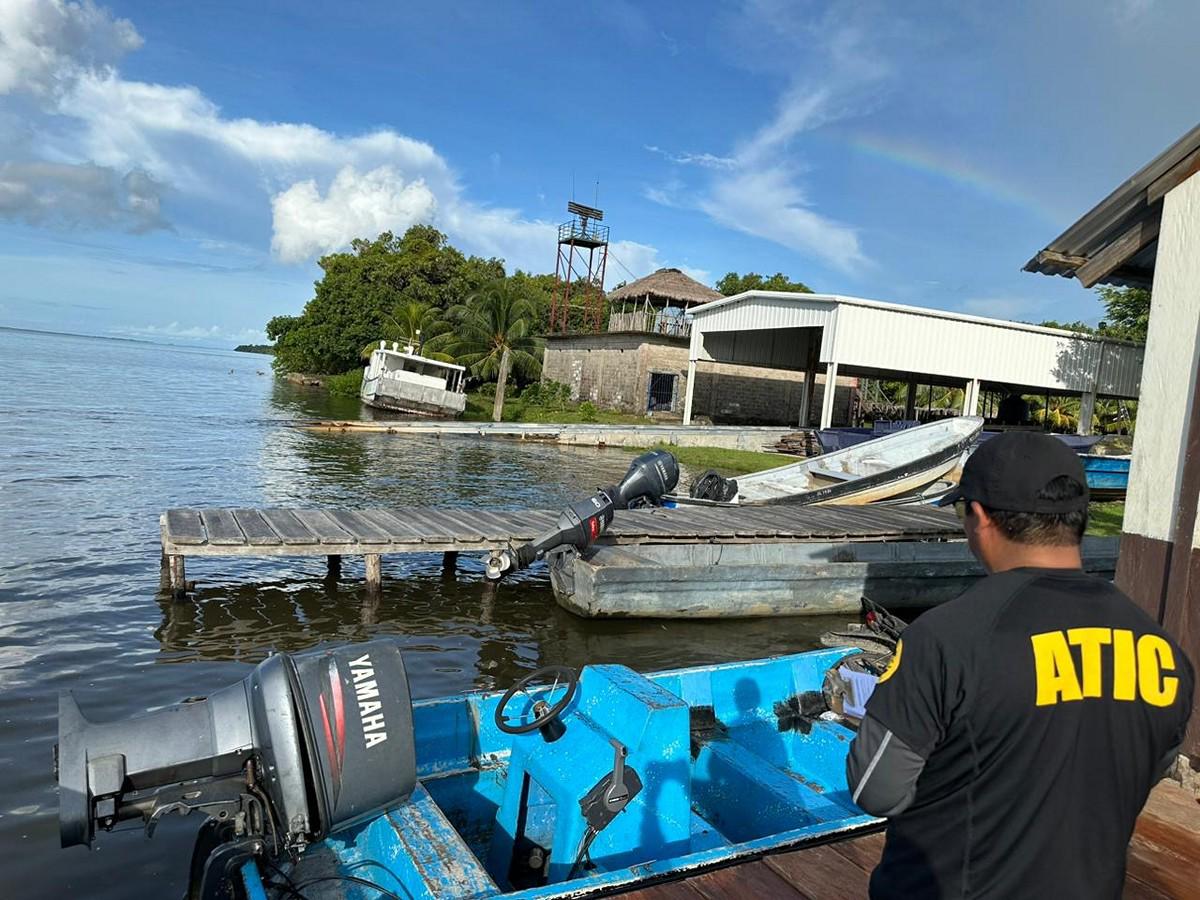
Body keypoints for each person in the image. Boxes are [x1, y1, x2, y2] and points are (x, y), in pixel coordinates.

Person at [845, 432, 1193, 899]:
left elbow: (876, 788)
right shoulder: (1163, 651)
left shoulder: (945, 638)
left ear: (981, 517)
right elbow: (1144, 766)